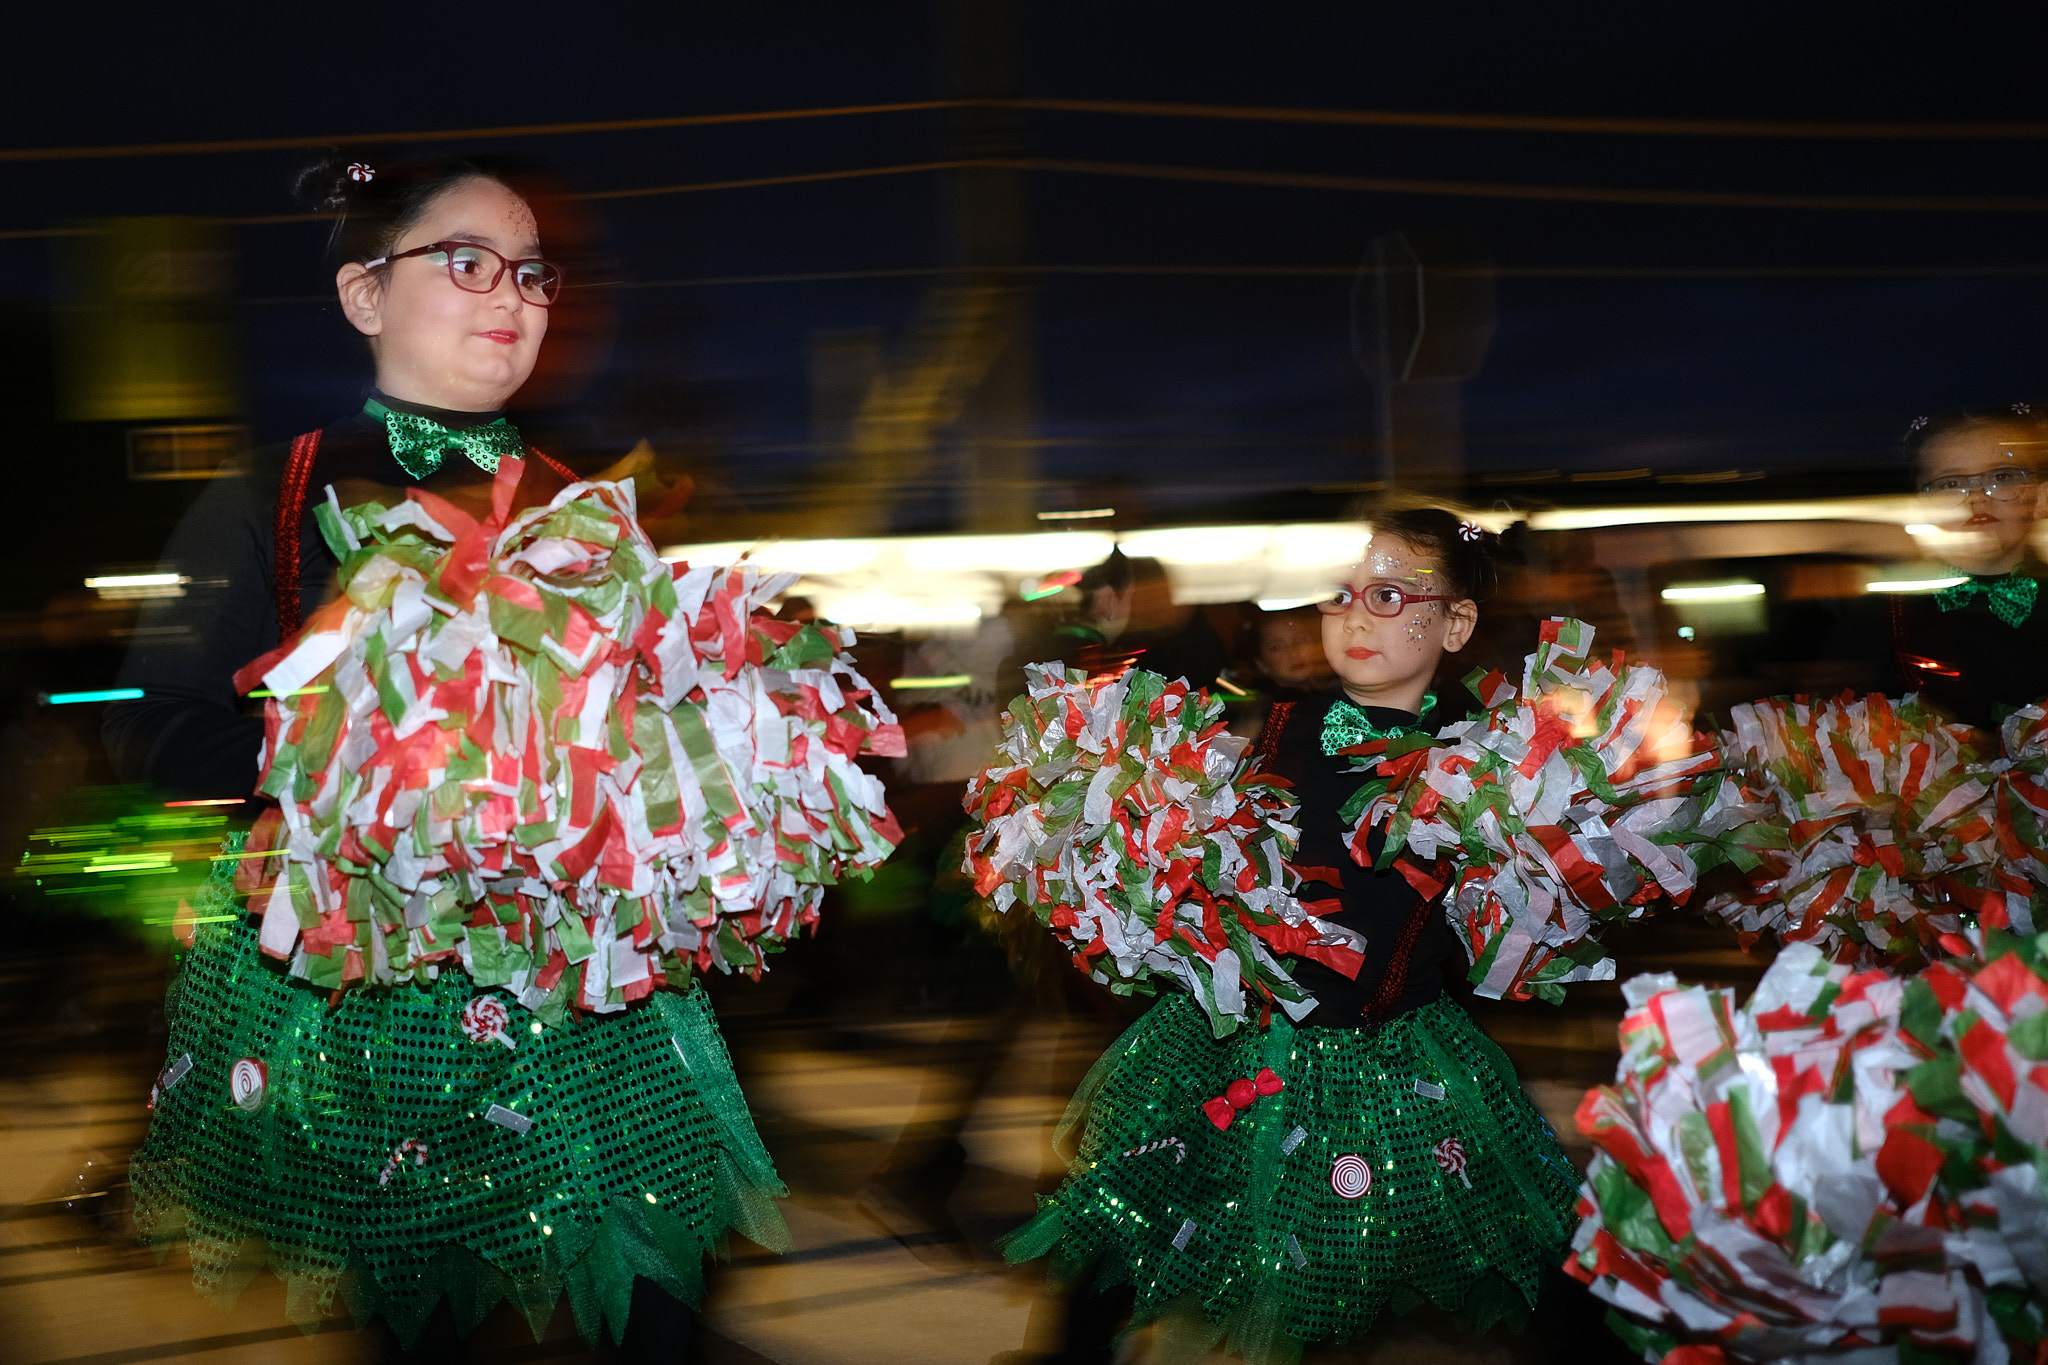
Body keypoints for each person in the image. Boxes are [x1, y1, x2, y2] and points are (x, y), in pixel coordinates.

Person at [111, 155, 787, 1361]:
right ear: (365, 295)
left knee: (654, 1306)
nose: (512, 296)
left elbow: (656, 739)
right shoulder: (274, 494)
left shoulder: (583, 506)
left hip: (590, 1001)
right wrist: (348, 760)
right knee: (431, 1326)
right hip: (375, 1001)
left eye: (532, 273)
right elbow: (158, 716)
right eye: (466, 262)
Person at [998, 509, 1581, 1363]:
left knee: (1528, 1245)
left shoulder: (1492, 760)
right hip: (1237, 1044)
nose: (1354, 616)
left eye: (1389, 595)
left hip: (1396, 1060)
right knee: (1131, 1217)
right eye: (1342, 595)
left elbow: (1523, 910)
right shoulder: (1277, 729)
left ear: (1456, 622)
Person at [1887, 406, 2048, 730]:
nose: (1976, 498)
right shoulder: (1891, 609)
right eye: (1950, 483)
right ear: (1922, 502)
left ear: (2040, 496)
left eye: (2002, 477)